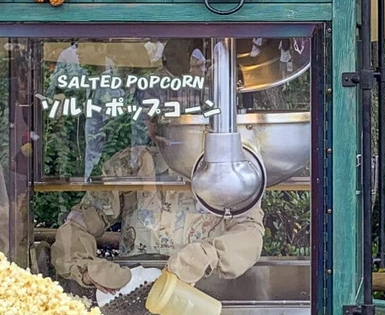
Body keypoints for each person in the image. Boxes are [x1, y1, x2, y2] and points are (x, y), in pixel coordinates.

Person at [52, 118, 265, 294]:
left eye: (186, 119)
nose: (173, 126)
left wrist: (207, 255)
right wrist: (85, 267)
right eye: (164, 118)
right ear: (151, 126)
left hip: (205, 296)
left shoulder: (230, 171)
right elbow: (79, 224)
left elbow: (249, 231)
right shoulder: (130, 165)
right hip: (129, 296)